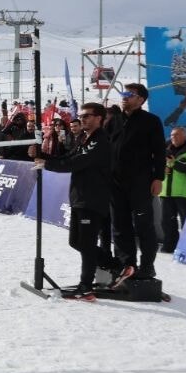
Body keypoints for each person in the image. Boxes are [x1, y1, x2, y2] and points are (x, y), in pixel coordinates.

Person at [32, 102, 113, 298]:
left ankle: (86, 286)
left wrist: (47, 165)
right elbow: (67, 156)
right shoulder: (84, 138)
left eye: (87, 116)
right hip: (79, 196)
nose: (82, 119)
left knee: (86, 243)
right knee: (76, 242)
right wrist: (42, 155)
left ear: (99, 119)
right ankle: (116, 265)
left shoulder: (100, 140)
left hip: (92, 198)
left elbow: (77, 163)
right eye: (82, 115)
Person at [108, 83, 167, 284]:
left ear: (141, 100)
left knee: (144, 226)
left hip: (141, 182)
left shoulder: (151, 121)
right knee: (119, 226)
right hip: (115, 183)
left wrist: (159, 178)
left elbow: (159, 152)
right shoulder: (114, 121)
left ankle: (147, 266)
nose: (124, 97)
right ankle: (127, 265)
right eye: (123, 93)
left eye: (130, 94)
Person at [159, 126, 186, 253]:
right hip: (166, 191)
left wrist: (174, 164)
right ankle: (169, 246)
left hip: (183, 193)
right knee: (167, 222)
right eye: (172, 135)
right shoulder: (164, 150)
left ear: (185, 137)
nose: (173, 137)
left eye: (177, 135)